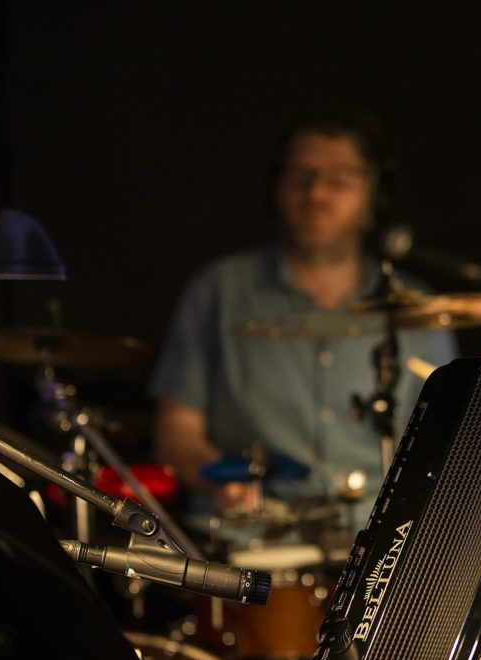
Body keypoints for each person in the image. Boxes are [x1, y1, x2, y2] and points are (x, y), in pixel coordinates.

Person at [147, 109, 458, 532]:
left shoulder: (419, 309)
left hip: (374, 540)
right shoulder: (219, 291)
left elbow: (441, 449)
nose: (316, 194)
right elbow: (176, 431)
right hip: (251, 541)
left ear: (374, 197)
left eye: (339, 180)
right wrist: (222, 483)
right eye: (301, 176)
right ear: (276, 189)